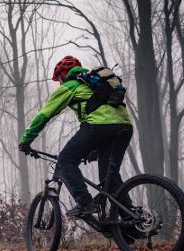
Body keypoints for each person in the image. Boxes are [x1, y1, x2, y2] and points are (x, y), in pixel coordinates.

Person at [18, 56, 133, 217]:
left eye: (59, 78)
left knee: (65, 161)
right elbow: (105, 114)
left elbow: (44, 115)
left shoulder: (70, 85)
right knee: (109, 176)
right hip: (125, 126)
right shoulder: (94, 85)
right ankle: (131, 221)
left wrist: (26, 140)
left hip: (98, 126)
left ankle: (85, 203)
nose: (59, 82)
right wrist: (93, 149)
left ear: (63, 74)